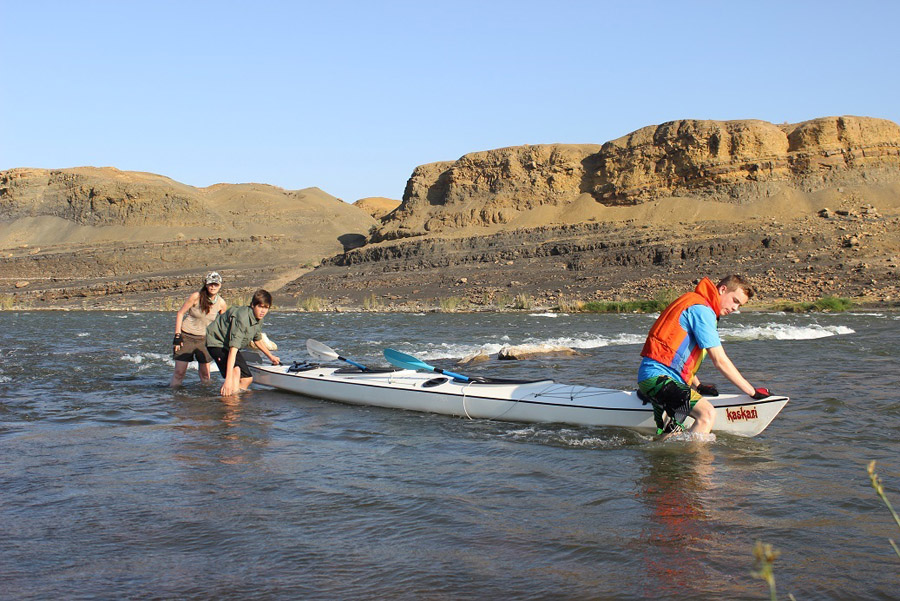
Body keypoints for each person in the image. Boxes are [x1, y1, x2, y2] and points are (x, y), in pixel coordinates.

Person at [637, 275, 772, 436]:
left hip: (661, 378)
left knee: (672, 432)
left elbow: (677, 357)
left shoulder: (696, 304)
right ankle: (696, 454)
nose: (735, 308)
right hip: (657, 379)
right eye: (735, 301)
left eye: (740, 305)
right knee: (707, 414)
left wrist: (698, 386)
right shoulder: (702, 311)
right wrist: (752, 392)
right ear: (723, 290)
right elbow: (720, 360)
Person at [206, 289, 280, 397]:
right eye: (260, 307)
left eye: (266, 307)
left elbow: (257, 339)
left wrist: (270, 356)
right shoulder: (242, 319)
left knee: (247, 379)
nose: (263, 311)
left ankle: (233, 399)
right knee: (235, 372)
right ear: (253, 305)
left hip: (228, 344)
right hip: (216, 341)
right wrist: (227, 380)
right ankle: (230, 402)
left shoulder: (259, 319)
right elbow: (233, 349)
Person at [170, 272, 228, 387]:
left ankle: (205, 397)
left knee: (205, 376)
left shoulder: (221, 303)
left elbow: (223, 324)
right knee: (179, 373)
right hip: (187, 337)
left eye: (216, 284)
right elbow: (180, 313)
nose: (213, 287)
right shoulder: (196, 296)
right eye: (210, 284)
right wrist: (177, 335)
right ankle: (174, 394)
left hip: (205, 340)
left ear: (220, 285)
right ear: (206, 284)